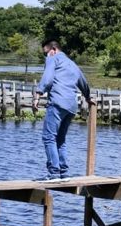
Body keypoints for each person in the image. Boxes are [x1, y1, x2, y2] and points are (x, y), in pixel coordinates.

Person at [32, 40, 93, 181]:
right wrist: (88, 97)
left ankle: (53, 173)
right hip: (71, 107)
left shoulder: (53, 59)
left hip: (57, 103)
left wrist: (37, 95)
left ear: (53, 50)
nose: (45, 57)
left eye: (46, 53)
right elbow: (83, 82)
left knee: (48, 137)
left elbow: (47, 79)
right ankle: (63, 173)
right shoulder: (72, 63)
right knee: (60, 139)